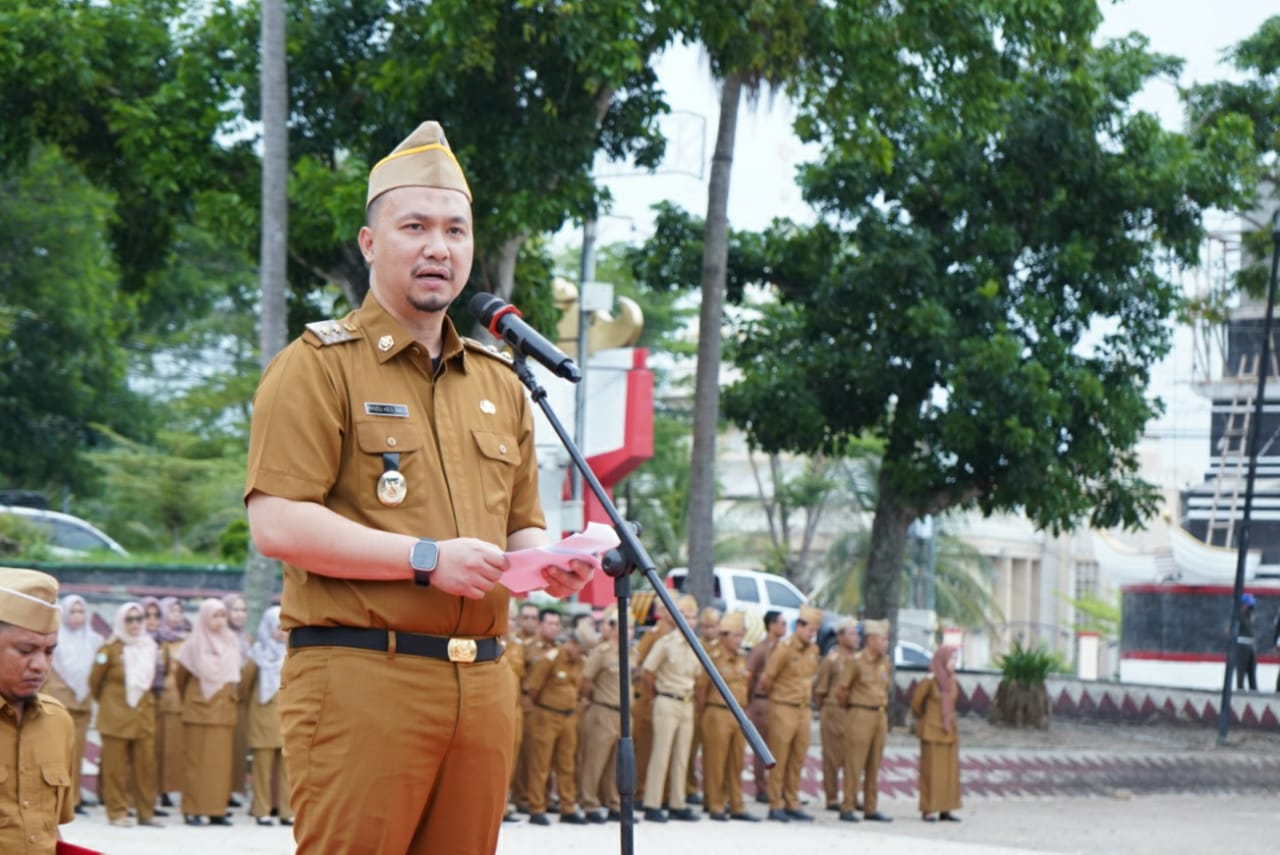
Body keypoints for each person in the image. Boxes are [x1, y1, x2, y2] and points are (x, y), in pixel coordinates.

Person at [243, 119, 593, 855]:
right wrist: (427, 558)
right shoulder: (318, 366)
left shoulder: (499, 382)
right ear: (371, 243)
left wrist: (549, 563)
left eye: (455, 231)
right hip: (364, 675)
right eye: (416, 227)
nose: (439, 247)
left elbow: (519, 525)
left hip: (485, 681)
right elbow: (277, 523)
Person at [0, 567, 76, 853]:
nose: (41, 666)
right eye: (25, 650)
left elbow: (49, 827)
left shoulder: (58, 722)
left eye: (49, 651)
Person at [89, 602, 162, 829]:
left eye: (139, 619)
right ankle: (117, 812)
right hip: (116, 716)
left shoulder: (150, 646)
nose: (134, 624)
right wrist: (110, 703)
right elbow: (94, 682)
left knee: (146, 767)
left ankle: (146, 813)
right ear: (121, 621)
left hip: (143, 715)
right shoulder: (109, 649)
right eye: (129, 619)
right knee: (115, 768)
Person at [174, 598, 242, 826]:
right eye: (215, 616)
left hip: (224, 711)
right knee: (196, 763)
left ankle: (216, 809)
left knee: (220, 765)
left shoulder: (231, 641)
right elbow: (180, 679)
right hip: (199, 710)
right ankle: (192, 809)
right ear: (204, 617)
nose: (220, 620)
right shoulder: (192, 644)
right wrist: (193, 698)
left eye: (223, 615)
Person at [640, 593, 702, 823]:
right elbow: (647, 671)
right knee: (661, 753)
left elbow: (697, 676)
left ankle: (678, 802)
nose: (690, 621)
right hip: (667, 700)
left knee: (682, 756)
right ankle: (652, 803)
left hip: (687, 702)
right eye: (686, 616)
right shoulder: (665, 643)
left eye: (693, 617)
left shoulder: (696, 645)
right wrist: (654, 695)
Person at [760, 604, 822, 822]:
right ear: (799, 626)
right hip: (783, 707)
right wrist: (778, 699)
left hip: (804, 710)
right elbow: (767, 679)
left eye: (815, 631)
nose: (812, 634)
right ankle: (775, 803)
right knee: (779, 758)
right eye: (810, 630)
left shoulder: (814, 651)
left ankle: (792, 801)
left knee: (797, 759)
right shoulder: (783, 649)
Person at [695, 610, 758, 822]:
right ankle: (715, 804)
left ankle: (736, 804)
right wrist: (704, 714)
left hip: (739, 716)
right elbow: (701, 689)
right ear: (724, 636)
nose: (740, 640)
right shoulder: (713, 658)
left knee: (736, 761)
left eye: (741, 635)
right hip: (717, 712)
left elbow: (746, 687)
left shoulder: (742, 658)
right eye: (736, 635)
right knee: (715, 762)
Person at [524, 628, 589, 826]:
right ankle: (537, 807)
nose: (581, 654)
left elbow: (579, 688)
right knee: (541, 764)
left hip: (569, 717)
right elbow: (533, 687)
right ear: (571, 643)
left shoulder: (580, 662)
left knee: (567, 764)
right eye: (580, 649)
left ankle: (567, 807)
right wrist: (544, 707)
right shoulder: (552, 657)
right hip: (547, 715)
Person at [44, 594, 98, 815]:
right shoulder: (53, 639)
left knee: (76, 754)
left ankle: (73, 800)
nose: (77, 616)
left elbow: (98, 675)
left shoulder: (94, 641)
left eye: (81, 611)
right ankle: (53, 800)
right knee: (55, 754)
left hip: (82, 704)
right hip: (57, 704)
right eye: (73, 611)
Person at [835, 617, 893, 823]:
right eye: (882, 639)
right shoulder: (856, 661)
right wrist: (853, 708)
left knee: (874, 764)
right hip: (860, 714)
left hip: (880, 715)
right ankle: (848, 806)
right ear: (871, 640)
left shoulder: (885, 662)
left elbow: (886, 687)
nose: (886, 643)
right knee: (854, 764)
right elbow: (841, 690)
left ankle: (871, 807)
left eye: (886, 639)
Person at [242, 606, 292, 827]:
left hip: (287, 717)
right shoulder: (257, 654)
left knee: (288, 769)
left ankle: (287, 811)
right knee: (261, 769)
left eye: (286, 627)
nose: (282, 632)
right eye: (278, 627)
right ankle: (261, 811)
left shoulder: (294, 653)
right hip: (262, 717)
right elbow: (245, 686)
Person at [577, 606, 622, 823]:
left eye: (631, 627)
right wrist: (591, 698)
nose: (628, 631)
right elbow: (586, 680)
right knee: (594, 761)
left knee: (616, 763)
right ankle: (590, 802)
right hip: (603, 710)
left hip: (623, 714)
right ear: (611, 628)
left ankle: (613, 802)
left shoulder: (631, 652)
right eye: (623, 626)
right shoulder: (602, 652)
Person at [911, 644, 961, 822]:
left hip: (948, 732)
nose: (954, 662)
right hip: (932, 732)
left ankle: (945, 809)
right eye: (951, 658)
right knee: (931, 773)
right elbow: (916, 705)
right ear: (942, 659)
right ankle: (928, 809)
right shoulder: (930, 680)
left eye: (955, 658)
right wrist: (928, 719)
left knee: (948, 774)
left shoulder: (952, 681)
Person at [814, 617, 858, 812]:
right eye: (851, 634)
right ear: (840, 637)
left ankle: (851, 796)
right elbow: (820, 690)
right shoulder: (831, 660)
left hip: (853, 712)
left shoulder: (858, 659)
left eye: (856, 634)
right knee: (832, 757)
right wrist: (827, 710)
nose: (856, 638)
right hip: (834, 711)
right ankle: (831, 797)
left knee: (853, 757)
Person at [746, 609, 786, 802]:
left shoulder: (783, 649)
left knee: (778, 746)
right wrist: (749, 702)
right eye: (782, 623)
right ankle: (761, 788)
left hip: (779, 702)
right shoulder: (761, 649)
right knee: (762, 747)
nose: (785, 627)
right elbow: (750, 676)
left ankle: (777, 788)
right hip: (762, 701)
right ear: (771, 625)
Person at [154, 596, 190, 807]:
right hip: (163, 700)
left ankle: (170, 789)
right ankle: (158, 790)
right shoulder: (158, 638)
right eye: (172, 611)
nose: (176, 615)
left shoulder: (189, 638)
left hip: (182, 701)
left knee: (176, 748)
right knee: (160, 747)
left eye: (179, 611)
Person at [684, 605, 721, 804]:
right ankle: (689, 788)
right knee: (690, 750)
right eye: (706, 626)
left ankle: (711, 792)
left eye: (713, 626)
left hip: (715, 706)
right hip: (695, 704)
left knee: (714, 754)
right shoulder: (695, 645)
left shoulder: (723, 648)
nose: (709, 630)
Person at [223, 593, 252, 808]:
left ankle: (233, 790)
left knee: (238, 748)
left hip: (242, 699)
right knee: (221, 749)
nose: (240, 615)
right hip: (223, 699)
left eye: (243, 610)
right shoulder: (219, 637)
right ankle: (218, 791)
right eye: (235, 610)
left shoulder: (247, 639)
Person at [1235, 593, 1257, 691]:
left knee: (1252, 669)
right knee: (1241, 669)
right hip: (1242, 646)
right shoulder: (1238, 616)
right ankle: (1240, 689)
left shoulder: (1250, 616)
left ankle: (1253, 689)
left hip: (1250, 646)